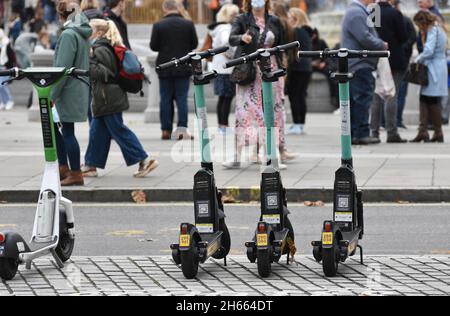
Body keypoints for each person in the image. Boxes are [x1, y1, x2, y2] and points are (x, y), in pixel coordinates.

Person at [81, 19, 159, 178]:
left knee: (118, 129)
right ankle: (90, 165)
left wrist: (87, 61)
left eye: (91, 30)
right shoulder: (104, 47)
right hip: (107, 96)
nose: (88, 34)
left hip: (107, 97)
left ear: (100, 32)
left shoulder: (100, 49)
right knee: (97, 131)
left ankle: (145, 159)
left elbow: (105, 74)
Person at [224, 0, 294, 169]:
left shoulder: (274, 20)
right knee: (244, 111)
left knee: (273, 110)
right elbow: (232, 39)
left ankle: (270, 154)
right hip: (249, 70)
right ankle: (237, 155)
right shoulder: (242, 19)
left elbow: (281, 46)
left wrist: (283, 68)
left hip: (271, 69)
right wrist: (242, 38)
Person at [52, 0, 92, 186]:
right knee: (60, 129)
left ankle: (74, 172)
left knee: (66, 131)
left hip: (66, 90)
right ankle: (64, 168)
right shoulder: (81, 32)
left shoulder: (68, 34)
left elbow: (62, 68)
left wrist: (51, 95)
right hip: (77, 87)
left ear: (62, 16)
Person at [341, 0, 388, 145]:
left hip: (357, 63)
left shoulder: (356, 11)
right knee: (362, 99)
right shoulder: (356, 12)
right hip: (360, 63)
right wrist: (381, 44)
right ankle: (361, 133)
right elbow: (364, 37)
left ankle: (355, 133)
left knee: (357, 100)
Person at [151, 0, 198, 140]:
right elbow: (194, 44)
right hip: (183, 67)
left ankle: (166, 130)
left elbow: (154, 46)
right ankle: (182, 131)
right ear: (177, 8)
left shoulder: (158, 25)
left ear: (165, 8)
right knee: (182, 99)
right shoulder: (188, 24)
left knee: (165, 99)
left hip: (165, 67)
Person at [370, 0, 408, 143]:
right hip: (394, 59)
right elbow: (403, 37)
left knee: (376, 96)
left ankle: (374, 132)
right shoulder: (395, 13)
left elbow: (370, 35)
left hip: (375, 58)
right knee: (392, 94)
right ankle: (391, 132)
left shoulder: (373, 12)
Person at [410, 10, 447, 143]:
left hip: (433, 69)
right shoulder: (439, 27)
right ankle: (424, 131)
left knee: (430, 100)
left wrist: (416, 60)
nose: (419, 28)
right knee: (425, 99)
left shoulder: (432, 30)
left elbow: (429, 50)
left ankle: (437, 132)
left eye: (419, 25)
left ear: (423, 22)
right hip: (437, 67)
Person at [209, 3, 239, 133]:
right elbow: (226, 43)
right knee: (226, 97)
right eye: (234, 15)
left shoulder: (219, 27)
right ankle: (224, 125)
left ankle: (222, 124)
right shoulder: (226, 28)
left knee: (223, 98)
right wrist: (232, 56)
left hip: (219, 67)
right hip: (226, 68)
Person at [286, 7, 312, 135]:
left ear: (296, 18)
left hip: (297, 67)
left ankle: (297, 124)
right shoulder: (307, 31)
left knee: (294, 95)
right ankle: (300, 124)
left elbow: (291, 50)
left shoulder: (296, 31)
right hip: (306, 67)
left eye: (290, 17)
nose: (288, 19)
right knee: (301, 96)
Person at [393, 0, 417, 129]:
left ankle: (387, 121)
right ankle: (396, 120)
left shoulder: (388, 18)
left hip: (392, 60)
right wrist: (405, 48)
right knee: (400, 93)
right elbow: (413, 36)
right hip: (403, 61)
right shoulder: (405, 20)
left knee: (389, 93)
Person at [0, 29, 16, 111]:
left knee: (2, 85)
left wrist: (8, 67)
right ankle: (2, 102)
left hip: (6, 68)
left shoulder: (6, 44)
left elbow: (11, 58)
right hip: (0, 67)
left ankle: (9, 101)